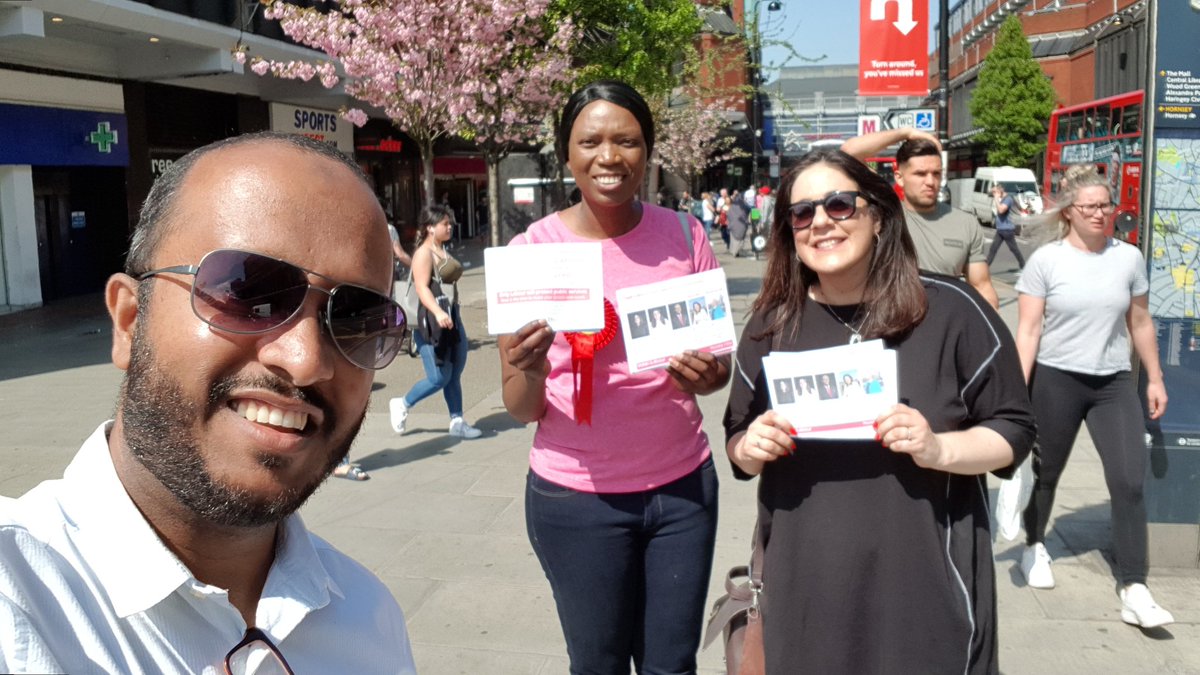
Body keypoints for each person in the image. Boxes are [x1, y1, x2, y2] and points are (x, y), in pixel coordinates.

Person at [0, 132, 415, 673]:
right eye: (247, 290)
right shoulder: (17, 604)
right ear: (129, 321)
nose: (306, 359)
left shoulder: (370, 618)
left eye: (359, 319)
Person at [723, 146, 1036, 673]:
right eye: (802, 213)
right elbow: (737, 440)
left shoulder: (952, 310)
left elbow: (1015, 429)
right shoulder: (769, 326)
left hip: (925, 591)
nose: (821, 222)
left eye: (840, 205)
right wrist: (750, 445)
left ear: (879, 216)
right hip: (805, 592)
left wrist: (940, 447)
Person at [498, 80, 730, 674]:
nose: (610, 156)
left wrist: (706, 376)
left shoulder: (686, 236)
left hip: (683, 490)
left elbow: (718, 367)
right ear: (567, 154)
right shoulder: (532, 251)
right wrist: (525, 366)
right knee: (596, 664)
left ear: (647, 151)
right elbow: (522, 407)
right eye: (591, 141)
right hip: (576, 498)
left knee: (672, 665)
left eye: (626, 140)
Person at [1015, 167, 1173, 628]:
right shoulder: (1047, 261)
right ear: (1069, 212)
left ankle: (1134, 585)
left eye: (1107, 205)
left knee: (1128, 481)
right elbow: (1028, 331)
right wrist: (1016, 391)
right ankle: (1033, 546)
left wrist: (1155, 379)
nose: (1102, 214)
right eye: (1091, 207)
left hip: (1112, 383)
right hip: (1056, 380)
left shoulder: (1128, 258)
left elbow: (1140, 322)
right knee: (1045, 474)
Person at [842, 129, 1000, 309]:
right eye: (920, 174)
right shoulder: (886, 213)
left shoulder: (966, 223)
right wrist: (906, 133)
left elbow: (981, 286)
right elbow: (849, 152)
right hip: (892, 325)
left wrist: (994, 331)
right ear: (899, 178)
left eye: (936, 173)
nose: (930, 182)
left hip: (946, 326)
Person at [389, 205, 482, 439]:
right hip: (431, 322)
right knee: (439, 377)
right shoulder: (424, 253)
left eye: (449, 223)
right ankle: (402, 403)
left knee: (455, 372)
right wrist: (438, 313)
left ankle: (457, 421)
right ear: (430, 228)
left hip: (453, 317)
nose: (449, 227)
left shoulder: (442, 249)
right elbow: (421, 287)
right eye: (444, 224)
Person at [986, 184, 1026, 269]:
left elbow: (1001, 210)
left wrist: (996, 198)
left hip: (1007, 230)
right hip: (1000, 230)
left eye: (995, 192)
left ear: (1000, 191)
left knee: (1014, 249)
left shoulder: (1008, 199)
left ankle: (1023, 265)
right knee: (993, 249)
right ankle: (985, 267)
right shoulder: (1004, 199)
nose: (994, 194)